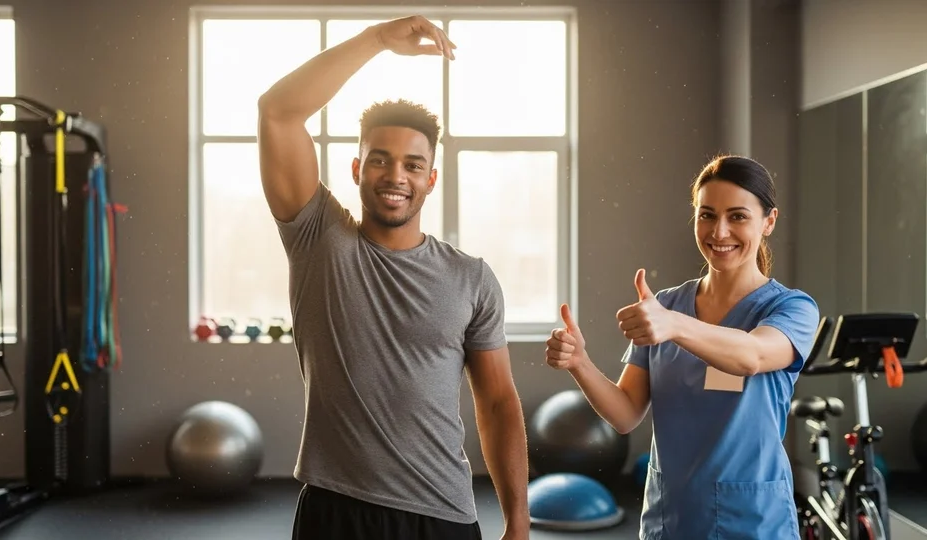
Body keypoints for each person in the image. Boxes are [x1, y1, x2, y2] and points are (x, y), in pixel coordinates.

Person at [257, 14, 530, 540]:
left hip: (442, 514)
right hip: (336, 510)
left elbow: (497, 402)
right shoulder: (318, 238)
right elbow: (277, 112)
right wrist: (377, 41)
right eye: (380, 160)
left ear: (430, 177)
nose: (395, 176)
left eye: (411, 164)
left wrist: (518, 519)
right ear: (358, 169)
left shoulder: (471, 278)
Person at [545, 155, 819, 539]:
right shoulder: (667, 305)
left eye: (737, 216)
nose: (719, 232)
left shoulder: (791, 308)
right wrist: (580, 363)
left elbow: (751, 356)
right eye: (707, 215)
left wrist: (673, 325)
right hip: (670, 519)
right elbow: (625, 414)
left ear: (768, 221)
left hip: (752, 522)